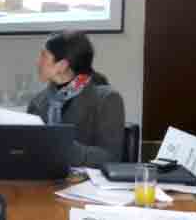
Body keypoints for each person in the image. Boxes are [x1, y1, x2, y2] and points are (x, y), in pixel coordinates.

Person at [27, 30, 125, 167]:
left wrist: (65, 148)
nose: (37, 62)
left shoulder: (107, 99)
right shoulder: (37, 102)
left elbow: (111, 157)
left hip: (85, 179)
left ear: (62, 65)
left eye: (43, 56)